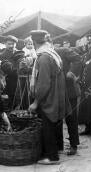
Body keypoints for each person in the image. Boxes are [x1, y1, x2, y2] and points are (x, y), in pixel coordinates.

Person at [29, 30, 70, 165]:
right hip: (57, 94)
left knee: (47, 126)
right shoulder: (53, 53)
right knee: (54, 124)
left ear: (34, 42)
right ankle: (57, 149)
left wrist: (35, 102)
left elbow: (43, 84)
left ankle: (52, 157)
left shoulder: (44, 57)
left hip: (49, 97)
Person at [55, 46, 82, 155]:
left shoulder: (62, 50)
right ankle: (58, 145)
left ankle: (73, 145)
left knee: (71, 118)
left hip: (69, 90)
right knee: (57, 119)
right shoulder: (43, 53)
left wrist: (71, 72)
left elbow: (78, 58)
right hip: (56, 92)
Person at [0, 35, 19, 109]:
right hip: (8, 80)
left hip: (19, 79)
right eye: (9, 44)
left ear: (15, 44)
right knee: (9, 98)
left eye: (13, 44)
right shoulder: (1, 55)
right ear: (5, 44)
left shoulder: (19, 53)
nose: (11, 46)